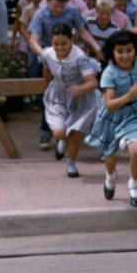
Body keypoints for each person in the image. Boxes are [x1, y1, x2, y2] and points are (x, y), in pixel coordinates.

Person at [87, 30, 137, 208]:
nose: (125, 55)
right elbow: (110, 104)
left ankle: (133, 184)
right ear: (112, 53)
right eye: (120, 51)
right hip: (113, 116)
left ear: (135, 49)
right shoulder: (109, 74)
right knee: (111, 155)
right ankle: (110, 176)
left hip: (136, 114)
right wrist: (128, 96)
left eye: (129, 50)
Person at [41, 24, 99, 177]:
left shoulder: (80, 58)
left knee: (77, 132)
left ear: (71, 40)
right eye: (56, 44)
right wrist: (46, 87)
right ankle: (61, 139)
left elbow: (93, 82)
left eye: (64, 43)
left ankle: (71, 162)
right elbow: (46, 69)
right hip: (58, 94)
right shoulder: (47, 54)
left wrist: (81, 89)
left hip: (82, 97)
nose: (60, 47)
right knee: (59, 132)